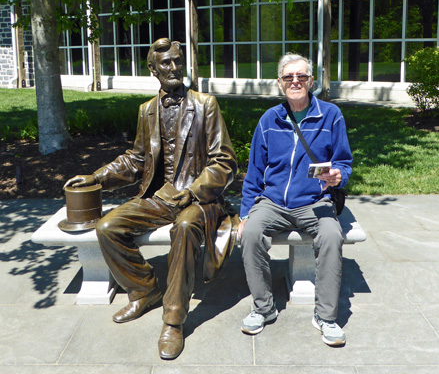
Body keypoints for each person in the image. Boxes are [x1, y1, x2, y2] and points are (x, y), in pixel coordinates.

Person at [64, 38, 237, 360]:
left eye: (177, 61)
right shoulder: (147, 110)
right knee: (108, 228)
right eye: (166, 63)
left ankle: (173, 319)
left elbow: (224, 161)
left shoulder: (205, 105)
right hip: (159, 197)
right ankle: (145, 289)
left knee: (185, 229)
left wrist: (193, 190)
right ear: (153, 69)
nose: (174, 68)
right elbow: (137, 159)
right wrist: (97, 177)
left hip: (198, 199)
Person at [238, 53, 352, 346]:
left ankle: (326, 317)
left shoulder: (331, 116)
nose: (295, 82)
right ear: (280, 83)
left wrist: (338, 175)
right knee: (250, 234)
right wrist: (244, 214)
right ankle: (264, 308)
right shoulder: (269, 119)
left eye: (301, 76)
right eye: (289, 77)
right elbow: (254, 172)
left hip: (315, 201)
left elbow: (344, 162)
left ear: (311, 81)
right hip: (274, 201)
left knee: (331, 236)